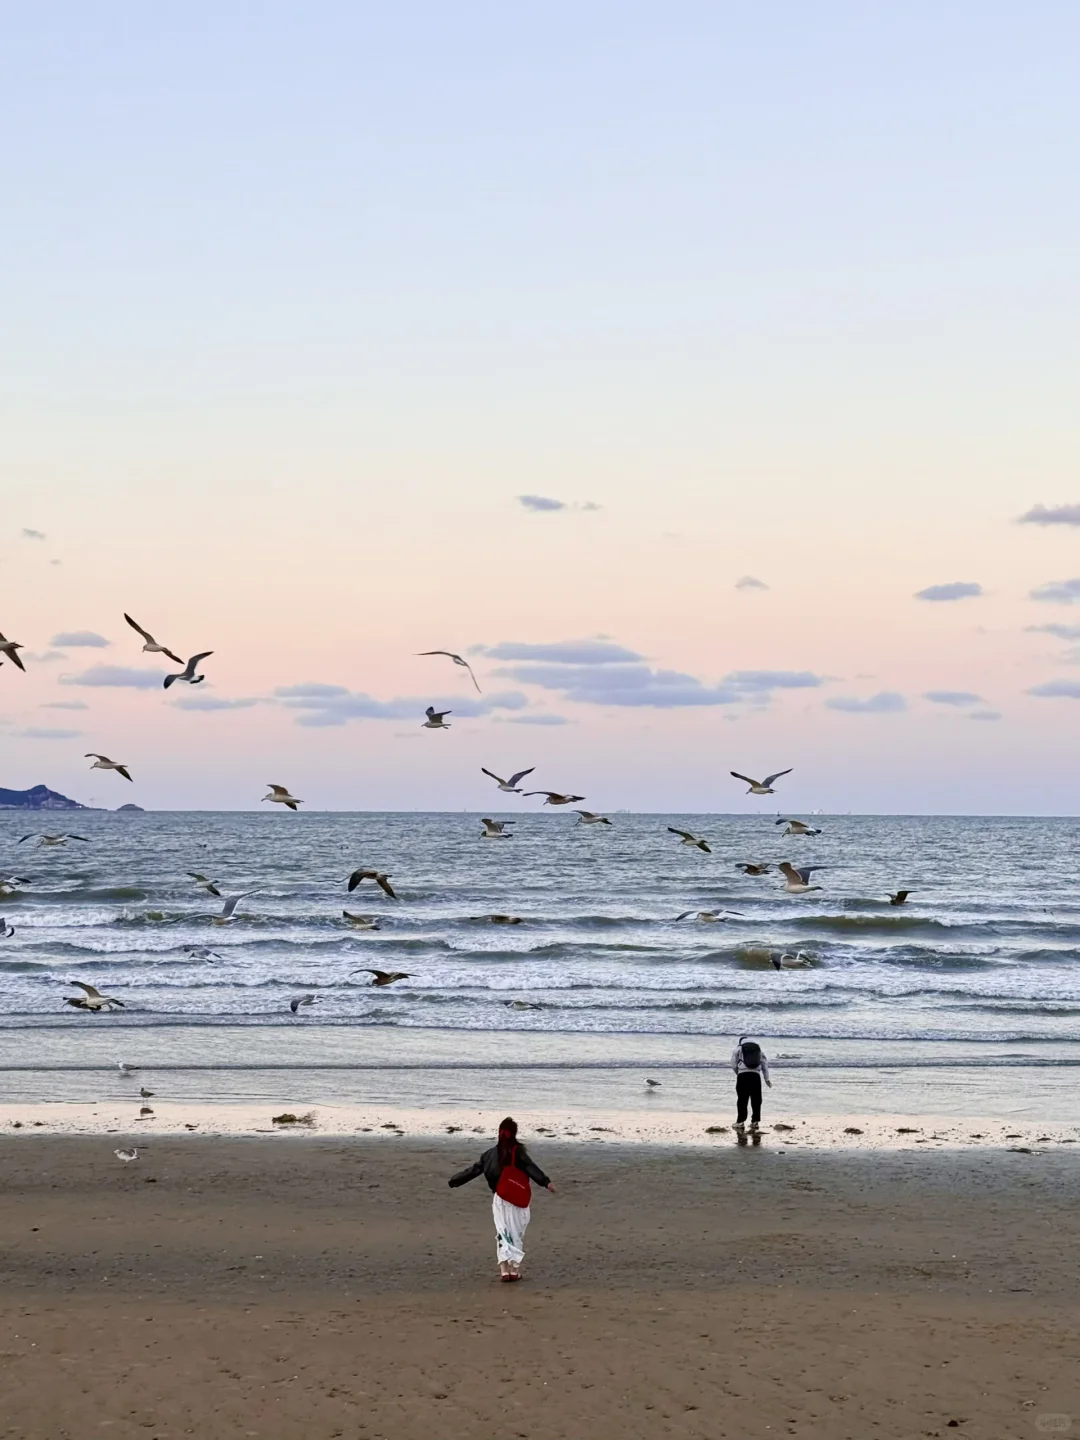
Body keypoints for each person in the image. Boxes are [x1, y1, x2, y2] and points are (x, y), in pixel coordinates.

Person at [448, 1117, 556, 1282]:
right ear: (514, 1134)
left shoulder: (489, 1155)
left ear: (499, 1133)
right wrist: (546, 1182)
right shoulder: (518, 1153)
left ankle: (504, 1271)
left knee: (503, 1233)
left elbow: (473, 1170)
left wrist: (456, 1180)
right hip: (518, 1200)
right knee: (516, 1234)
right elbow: (531, 1168)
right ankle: (515, 1269)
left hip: (500, 1200)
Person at [731, 1033, 771, 1132]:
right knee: (756, 1100)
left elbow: (733, 1063)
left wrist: (738, 1073)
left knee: (742, 1100)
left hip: (742, 1076)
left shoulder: (738, 1050)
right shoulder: (759, 1051)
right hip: (756, 1076)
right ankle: (755, 1122)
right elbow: (764, 1064)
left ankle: (740, 1122)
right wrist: (766, 1079)